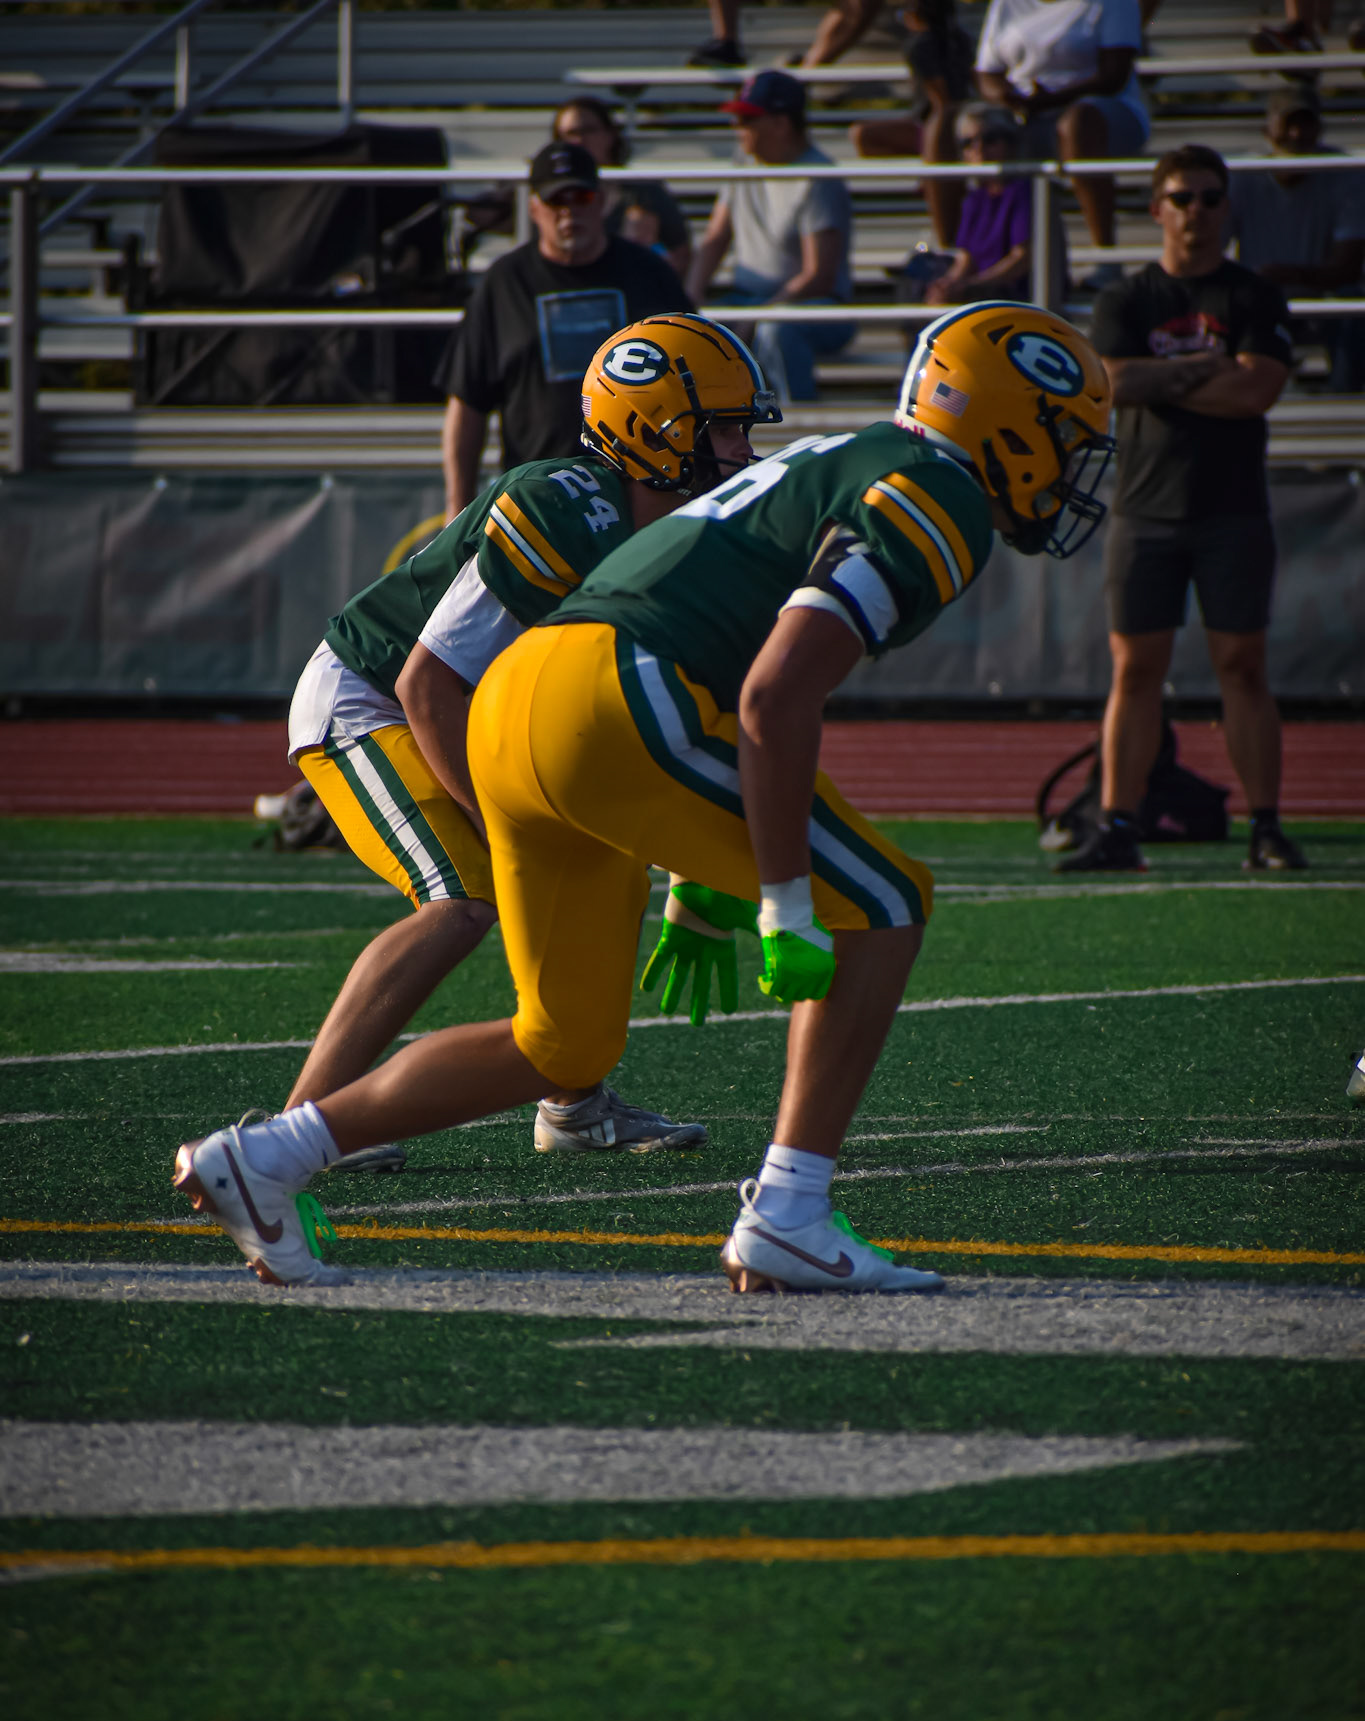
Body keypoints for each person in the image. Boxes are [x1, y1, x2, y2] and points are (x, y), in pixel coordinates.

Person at [174, 301, 1116, 1292]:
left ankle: (266, 1156)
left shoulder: (845, 461)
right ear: (1013, 427)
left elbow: (739, 679)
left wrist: (706, 881)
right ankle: (789, 1214)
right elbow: (772, 696)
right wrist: (782, 899)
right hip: (601, 697)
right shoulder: (934, 492)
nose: (1072, 469)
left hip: (523, 704)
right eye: (1066, 440)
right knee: (882, 901)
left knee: (564, 1040)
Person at [279, 316, 778, 1171]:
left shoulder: (680, 535)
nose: (740, 448)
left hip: (490, 713)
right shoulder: (560, 508)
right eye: (722, 428)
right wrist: (510, 827)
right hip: (370, 699)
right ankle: (294, 1127)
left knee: (601, 868)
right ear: (652, 431)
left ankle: (573, 1102)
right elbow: (427, 684)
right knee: (463, 898)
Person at [1066, 144, 1304, 874]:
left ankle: (1265, 827)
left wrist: (1160, 378)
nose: (1195, 211)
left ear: (1226, 207)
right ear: (1156, 208)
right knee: (1135, 671)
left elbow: (1255, 391)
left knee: (1242, 665)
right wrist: (1204, 367)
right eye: (1181, 198)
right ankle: (1116, 823)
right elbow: (1110, 384)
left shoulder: (1253, 296)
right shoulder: (1126, 299)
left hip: (1232, 509)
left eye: (1208, 197)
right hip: (1145, 508)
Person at [438, 141, 690, 520]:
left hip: (639, 495)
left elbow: (692, 380)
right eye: (556, 200)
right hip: (539, 500)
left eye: (581, 197)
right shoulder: (504, 283)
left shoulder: (650, 274)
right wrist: (457, 510)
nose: (569, 211)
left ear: (601, 201)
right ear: (533, 208)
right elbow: (467, 404)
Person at [687, 70, 856, 402]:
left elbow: (819, 277)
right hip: (749, 301)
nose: (736, 128)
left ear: (781, 123)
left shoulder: (818, 177)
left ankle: (796, 423)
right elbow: (715, 237)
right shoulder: (743, 162)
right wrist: (688, 298)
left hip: (815, 308)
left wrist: (759, 314)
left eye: (747, 120)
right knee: (691, 331)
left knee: (777, 330)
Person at [975, 0, 1149, 269]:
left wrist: (1050, 101)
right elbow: (987, 74)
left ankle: (1105, 258)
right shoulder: (1005, 4)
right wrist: (1011, 99)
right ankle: (969, 257)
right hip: (1027, 114)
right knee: (972, 130)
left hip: (1102, 110)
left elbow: (1113, 76)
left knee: (1077, 124)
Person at [1229, 86, 1365, 392]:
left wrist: (1285, 275)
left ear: (1319, 129)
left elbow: (1348, 267)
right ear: (1267, 131)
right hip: (1260, 300)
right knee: (1224, 302)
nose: (1296, 134)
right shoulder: (1242, 178)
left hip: (1322, 300)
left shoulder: (1347, 174)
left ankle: (1345, 401)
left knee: (1349, 304)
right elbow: (1208, 248)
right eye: (1288, 123)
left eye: (1305, 123)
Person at [852, 0, 976, 250]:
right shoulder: (963, 39)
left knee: (865, 135)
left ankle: (945, 236)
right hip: (960, 122)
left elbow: (942, 102)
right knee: (863, 136)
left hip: (943, 127)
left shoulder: (921, 45)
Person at [552, 97, 691, 279]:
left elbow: (680, 255)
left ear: (610, 134)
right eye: (570, 133)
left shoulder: (646, 189)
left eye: (588, 130)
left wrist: (648, 249)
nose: (579, 140)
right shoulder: (549, 197)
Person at [922, 103, 1033, 303]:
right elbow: (966, 259)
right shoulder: (975, 199)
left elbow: (1023, 259)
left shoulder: (1025, 192)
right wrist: (947, 285)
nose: (978, 149)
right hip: (981, 293)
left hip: (1015, 299)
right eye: (968, 143)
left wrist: (970, 286)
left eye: (990, 139)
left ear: (1011, 144)